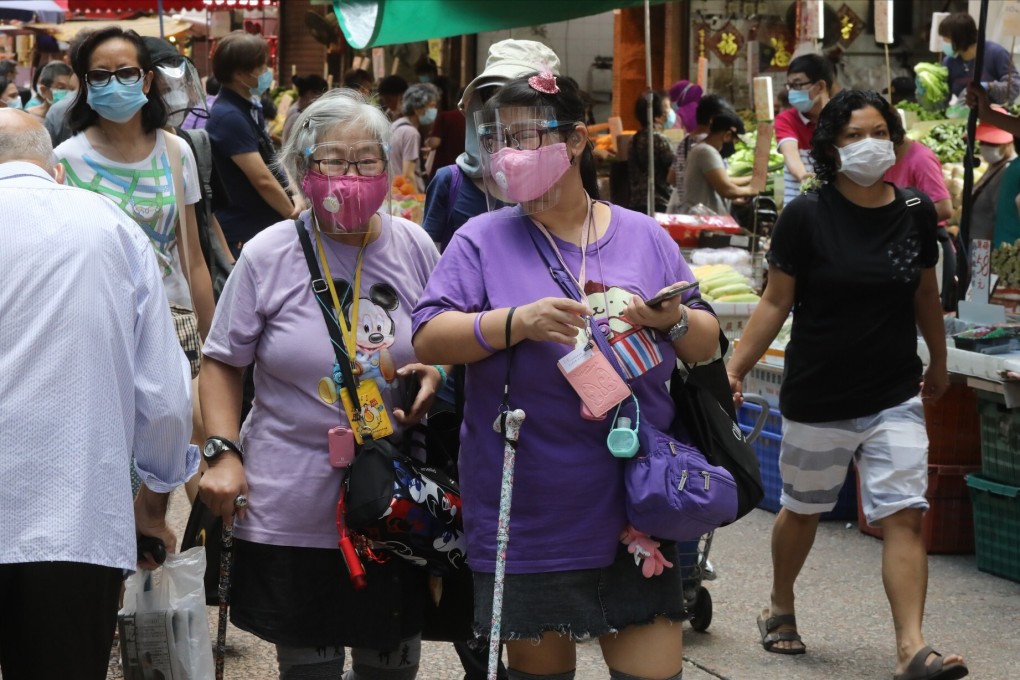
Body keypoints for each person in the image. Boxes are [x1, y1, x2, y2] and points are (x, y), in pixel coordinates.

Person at [413, 72, 722, 680]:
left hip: (640, 497)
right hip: (528, 503)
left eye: (525, 137)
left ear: (577, 140)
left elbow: (706, 342)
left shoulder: (642, 235)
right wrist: (515, 322)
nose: (508, 154)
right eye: (498, 138)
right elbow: (427, 335)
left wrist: (673, 318)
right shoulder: (481, 238)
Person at [198, 89, 444, 680]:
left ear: (389, 165)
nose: (350, 175)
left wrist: (437, 372)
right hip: (291, 494)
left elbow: (443, 340)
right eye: (331, 160)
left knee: (392, 665)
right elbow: (222, 362)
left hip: (394, 496)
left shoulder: (414, 244)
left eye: (367, 160)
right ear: (299, 169)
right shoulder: (268, 253)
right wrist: (223, 453)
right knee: (309, 665)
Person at [725, 90, 966, 680]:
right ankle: (781, 602)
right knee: (803, 511)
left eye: (878, 130)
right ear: (830, 145)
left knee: (906, 512)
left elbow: (925, 294)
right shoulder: (806, 214)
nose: (868, 143)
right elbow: (774, 302)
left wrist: (937, 361)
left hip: (893, 391)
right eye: (853, 134)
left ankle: (911, 647)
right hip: (820, 393)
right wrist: (730, 369)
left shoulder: (914, 210)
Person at [0, 109, 195, 680]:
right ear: (55, 170)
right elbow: (162, 392)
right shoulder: (107, 225)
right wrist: (155, 500)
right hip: (74, 519)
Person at [54, 27, 215, 341]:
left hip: (172, 322)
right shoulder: (64, 162)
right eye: (100, 75)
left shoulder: (176, 152)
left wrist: (213, 344)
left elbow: (193, 259)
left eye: (126, 72)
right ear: (85, 86)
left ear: (147, 80)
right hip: (96, 325)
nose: (114, 84)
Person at [422, 38, 561, 253]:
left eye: (521, 100)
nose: (506, 112)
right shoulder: (450, 182)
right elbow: (429, 262)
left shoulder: (562, 188)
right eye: (494, 97)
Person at [206, 30, 297, 257]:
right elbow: (262, 179)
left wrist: (294, 194)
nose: (266, 73)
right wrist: (294, 215)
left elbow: (271, 158)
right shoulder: (229, 117)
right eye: (261, 67)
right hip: (246, 230)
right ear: (240, 74)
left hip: (261, 225)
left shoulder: (247, 107)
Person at [775, 54, 834, 205]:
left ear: (820, 86)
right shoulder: (786, 119)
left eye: (798, 85)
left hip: (836, 207)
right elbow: (791, 154)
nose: (792, 92)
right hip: (798, 207)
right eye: (789, 86)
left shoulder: (842, 118)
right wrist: (804, 177)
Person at [666, 93, 733, 214]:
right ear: (714, 120)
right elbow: (724, 186)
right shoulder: (710, 146)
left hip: (684, 212)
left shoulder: (684, 141)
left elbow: (672, 178)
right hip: (704, 214)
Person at [682, 109, 757, 214]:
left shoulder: (702, 150)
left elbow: (723, 180)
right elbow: (727, 189)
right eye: (734, 141)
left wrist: (751, 179)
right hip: (702, 220)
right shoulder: (706, 152)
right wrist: (752, 190)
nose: (734, 146)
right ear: (727, 135)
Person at [939, 12, 1020, 105]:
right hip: (960, 116)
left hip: (995, 115)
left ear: (960, 38)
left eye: (946, 38)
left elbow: (1014, 87)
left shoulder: (996, 53)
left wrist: (989, 87)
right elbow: (942, 100)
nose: (944, 43)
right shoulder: (949, 62)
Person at [969, 111, 1017, 246]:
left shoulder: (1007, 171)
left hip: (985, 247)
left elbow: (1001, 218)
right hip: (975, 242)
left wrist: (985, 253)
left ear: (1008, 143)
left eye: (993, 143)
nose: (986, 147)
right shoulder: (993, 167)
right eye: (983, 142)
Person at [628, 90, 675, 215]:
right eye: (665, 111)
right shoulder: (660, 140)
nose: (668, 114)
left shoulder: (634, 139)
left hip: (636, 202)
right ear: (657, 116)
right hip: (659, 202)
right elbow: (673, 170)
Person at [389, 82, 439, 193]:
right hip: (406, 198)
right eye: (431, 106)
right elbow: (408, 175)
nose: (434, 110)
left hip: (394, 195)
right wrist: (418, 201)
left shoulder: (396, 126)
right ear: (418, 108)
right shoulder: (411, 133)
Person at [281, 74, 327, 146]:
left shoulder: (298, 110)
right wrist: (312, 151)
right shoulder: (297, 116)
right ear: (310, 94)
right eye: (320, 96)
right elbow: (302, 151)